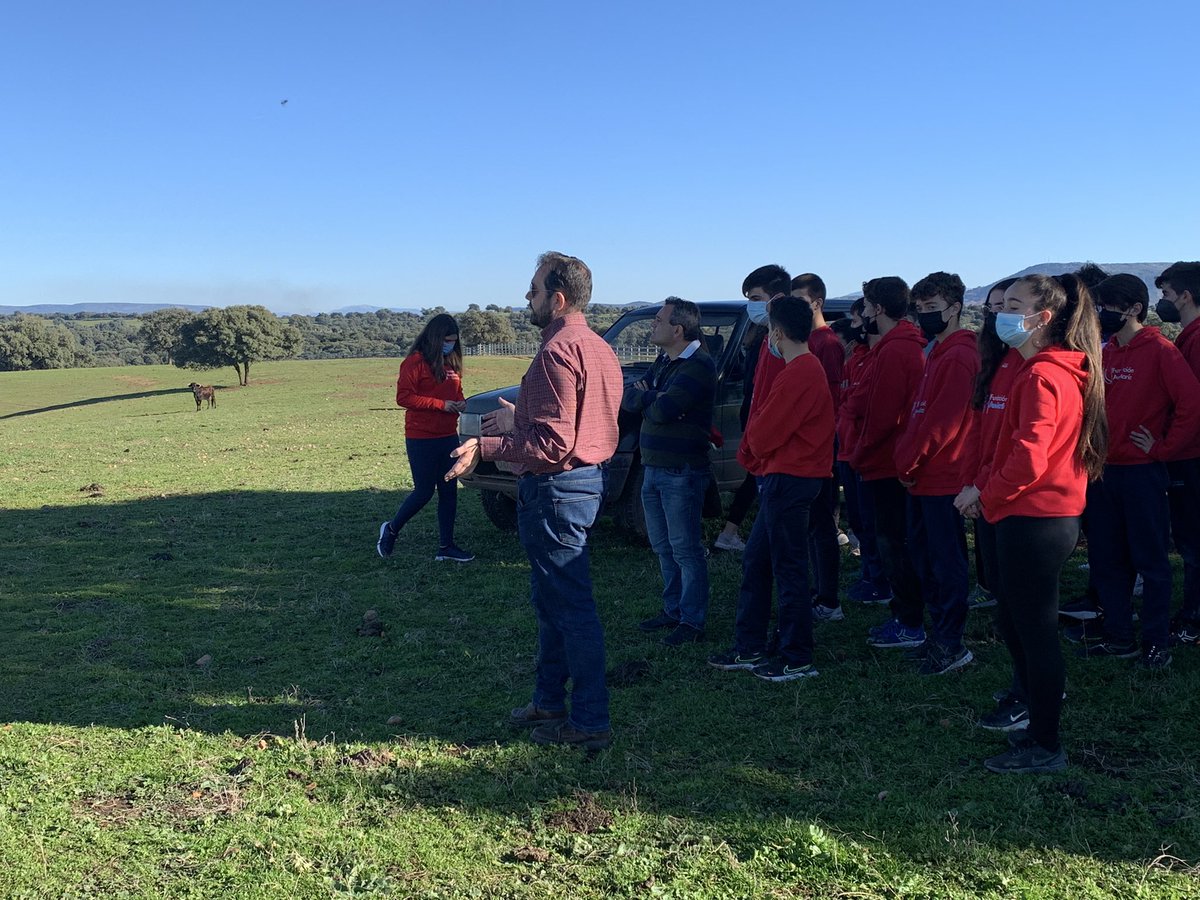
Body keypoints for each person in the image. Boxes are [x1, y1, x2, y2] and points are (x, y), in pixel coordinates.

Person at [446, 251, 623, 750]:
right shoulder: (598, 347)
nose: (527, 298)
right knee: (552, 602)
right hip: (583, 484)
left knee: (570, 607)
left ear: (558, 298)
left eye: (534, 291)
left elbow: (551, 445)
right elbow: (576, 423)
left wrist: (486, 446)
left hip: (556, 490)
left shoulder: (555, 353)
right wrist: (518, 415)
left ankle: (589, 722)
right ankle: (549, 700)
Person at [956, 273, 1108, 774]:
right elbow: (1003, 445)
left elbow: (1028, 459)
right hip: (1024, 513)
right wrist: (986, 493)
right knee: (1017, 623)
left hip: (1036, 518)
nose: (999, 311)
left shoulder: (1044, 375)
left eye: (1013, 305)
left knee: (1036, 631)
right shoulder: (1035, 369)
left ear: (1043, 319)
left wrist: (986, 494)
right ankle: (1032, 716)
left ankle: (1045, 742)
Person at [708, 295, 834, 681]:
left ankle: (797, 655)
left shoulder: (801, 371)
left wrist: (750, 452)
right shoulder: (801, 369)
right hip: (785, 478)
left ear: (777, 332)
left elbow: (764, 432)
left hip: (790, 480)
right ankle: (750, 645)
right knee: (758, 561)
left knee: (789, 568)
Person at [1077, 274, 1200, 667]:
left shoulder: (1161, 351)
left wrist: (1163, 449)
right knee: (1108, 557)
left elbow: (1191, 407)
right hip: (1104, 471)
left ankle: (1155, 641)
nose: (1100, 316)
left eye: (1107, 308)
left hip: (1142, 474)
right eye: (1097, 309)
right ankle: (1118, 636)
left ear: (1133, 309)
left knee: (1150, 560)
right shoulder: (1107, 351)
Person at [893, 272, 980, 674]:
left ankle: (951, 641)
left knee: (945, 562)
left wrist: (910, 462)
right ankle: (938, 635)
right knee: (925, 558)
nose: (925, 315)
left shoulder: (960, 354)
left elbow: (942, 423)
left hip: (942, 474)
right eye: (921, 309)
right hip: (923, 474)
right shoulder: (938, 351)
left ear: (956, 308)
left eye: (933, 309)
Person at [625, 298, 717, 645]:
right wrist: (652, 399)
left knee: (685, 548)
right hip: (654, 468)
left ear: (677, 329)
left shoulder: (698, 366)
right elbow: (631, 399)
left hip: (681, 472)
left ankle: (692, 620)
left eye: (659, 320)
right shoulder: (665, 361)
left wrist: (652, 399)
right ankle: (673, 609)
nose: (653, 325)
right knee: (662, 545)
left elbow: (663, 409)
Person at [850, 277, 927, 650]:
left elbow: (882, 414)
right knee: (895, 540)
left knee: (893, 543)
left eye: (865, 306)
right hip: (888, 458)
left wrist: (861, 453)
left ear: (878, 309)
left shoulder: (896, 351)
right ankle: (906, 614)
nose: (863, 314)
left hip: (886, 461)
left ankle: (909, 620)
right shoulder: (899, 347)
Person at [376, 313, 473, 562]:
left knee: (449, 491)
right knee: (424, 491)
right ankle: (392, 529)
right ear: (435, 338)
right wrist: (441, 405)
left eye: (453, 340)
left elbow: (457, 393)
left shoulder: (451, 364)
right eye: (446, 340)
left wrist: (460, 404)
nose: (450, 345)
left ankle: (446, 547)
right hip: (421, 437)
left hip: (448, 436)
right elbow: (404, 397)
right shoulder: (415, 362)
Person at [791, 273, 843, 622]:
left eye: (800, 301)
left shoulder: (827, 345)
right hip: (808, 451)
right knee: (812, 525)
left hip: (821, 451)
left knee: (823, 523)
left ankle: (828, 598)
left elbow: (831, 402)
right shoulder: (806, 341)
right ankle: (817, 590)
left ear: (817, 303)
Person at [1155, 262, 1200, 644]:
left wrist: (1167, 448)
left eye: (1166, 295)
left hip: (1191, 454)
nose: (1162, 303)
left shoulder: (1196, 339)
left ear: (1185, 296)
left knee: (1193, 540)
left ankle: (1193, 618)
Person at [838, 297, 890, 605]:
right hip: (849, 448)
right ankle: (869, 572)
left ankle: (880, 579)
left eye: (858, 321)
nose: (855, 327)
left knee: (872, 521)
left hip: (866, 452)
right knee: (858, 519)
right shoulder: (855, 357)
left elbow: (860, 404)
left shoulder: (877, 359)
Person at [714, 322, 767, 552]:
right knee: (754, 479)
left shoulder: (759, 351)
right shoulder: (756, 352)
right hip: (752, 420)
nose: (744, 336)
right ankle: (731, 532)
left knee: (753, 479)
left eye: (749, 330)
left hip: (752, 419)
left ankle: (730, 531)